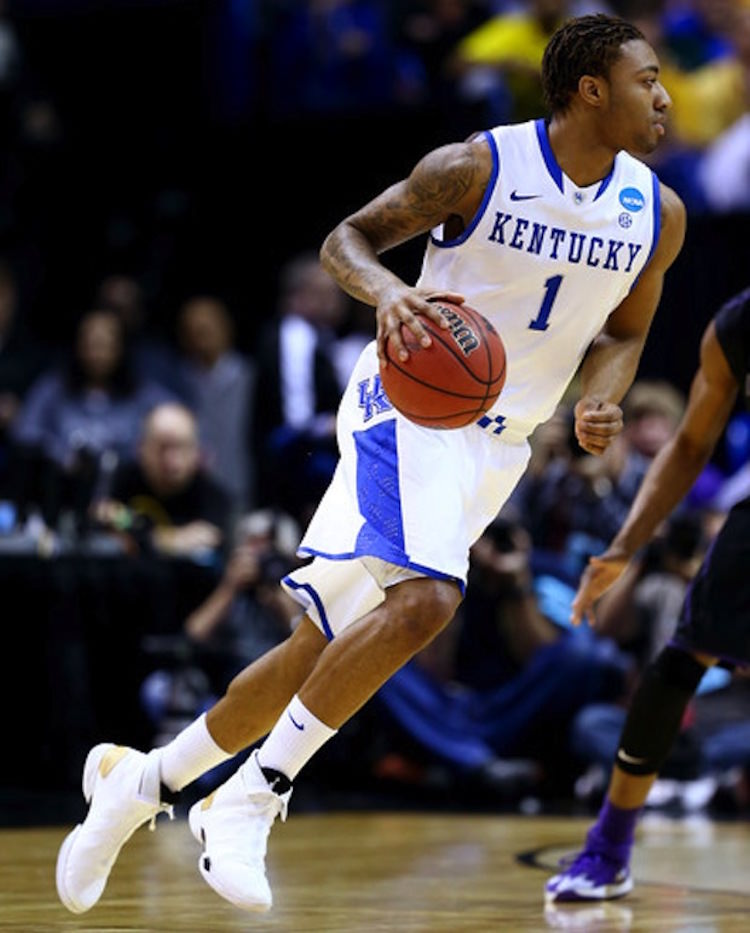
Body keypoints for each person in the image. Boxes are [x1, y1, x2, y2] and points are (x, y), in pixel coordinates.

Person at [56, 13, 685, 917]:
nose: (664, 97)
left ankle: (140, 784)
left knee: (316, 649)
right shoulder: (478, 166)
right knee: (429, 597)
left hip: (501, 446)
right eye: (647, 79)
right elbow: (345, 240)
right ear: (592, 90)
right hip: (410, 403)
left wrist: (604, 396)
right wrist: (391, 290)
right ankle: (250, 796)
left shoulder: (656, 212)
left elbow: (625, 332)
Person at [545, 282, 750, 903]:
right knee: (679, 662)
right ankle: (608, 848)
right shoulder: (737, 326)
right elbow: (690, 444)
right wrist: (624, 547)